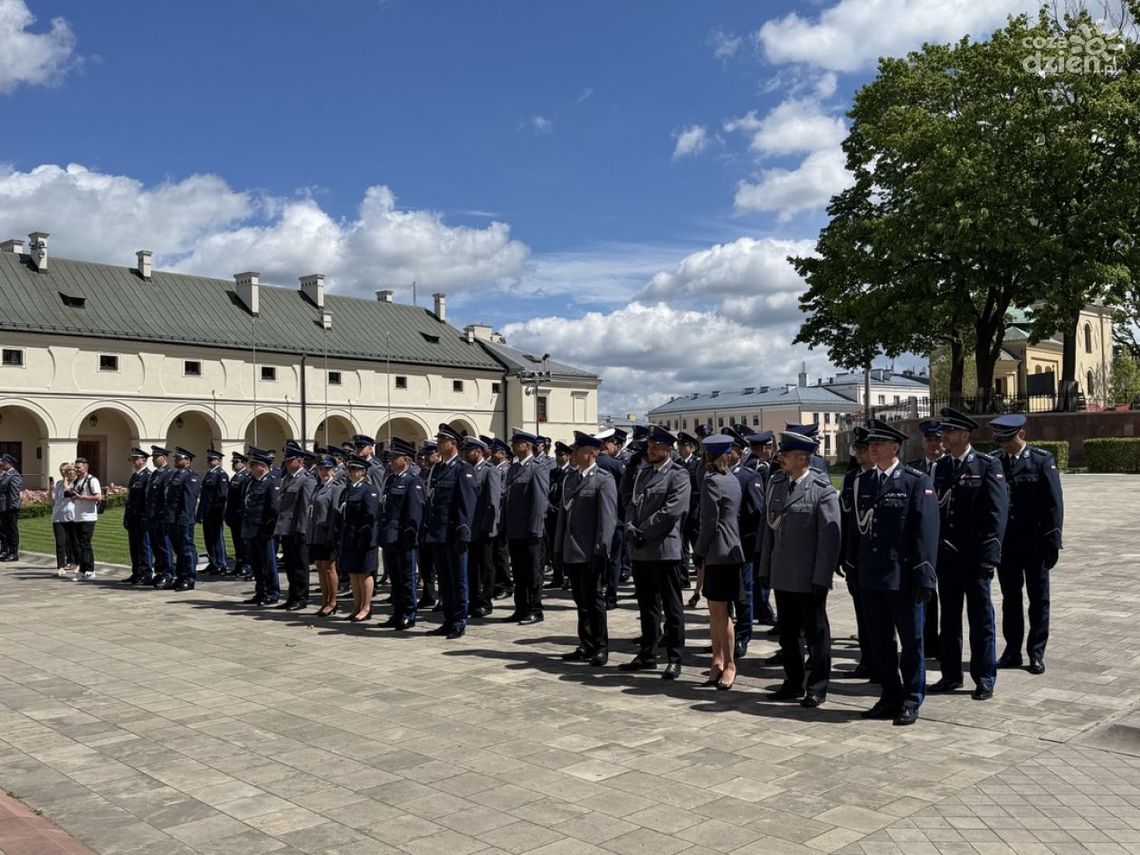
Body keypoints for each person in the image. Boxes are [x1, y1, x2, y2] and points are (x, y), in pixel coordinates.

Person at [848, 419, 939, 726]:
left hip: (903, 577)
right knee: (880, 642)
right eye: (870, 444)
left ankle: (911, 698)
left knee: (912, 642)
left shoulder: (915, 481)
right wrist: (852, 565)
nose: (872, 448)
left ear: (895, 447)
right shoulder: (864, 481)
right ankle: (889, 695)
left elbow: (925, 533)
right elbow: (856, 528)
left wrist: (925, 575)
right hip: (872, 576)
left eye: (879, 443)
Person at [929, 407, 1008, 701]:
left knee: (981, 620)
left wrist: (990, 556)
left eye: (949, 431)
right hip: (947, 558)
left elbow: (996, 514)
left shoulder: (986, 465)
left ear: (964, 434)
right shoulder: (940, 467)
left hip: (975, 558)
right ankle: (950, 674)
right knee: (949, 620)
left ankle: (984, 677)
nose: (944, 437)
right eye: (944, 432)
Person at [758, 431, 842, 707]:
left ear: (803, 459)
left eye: (786, 455)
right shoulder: (777, 485)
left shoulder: (821, 489)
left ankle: (817, 686)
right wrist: (765, 569)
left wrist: (822, 577)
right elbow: (769, 532)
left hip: (808, 577)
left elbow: (829, 540)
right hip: (783, 574)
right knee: (789, 635)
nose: (780, 458)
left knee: (816, 635)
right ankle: (793, 682)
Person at [991, 414, 1063, 675]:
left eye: (1007, 440)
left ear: (1021, 435)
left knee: (1039, 599)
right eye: (1000, 441)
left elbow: (1054, 503)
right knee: (1010, 599)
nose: (1003, 445)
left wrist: (1053, 540)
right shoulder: (995, 461)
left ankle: (1036, 653)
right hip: (1007, 545)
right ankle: (1012, 651)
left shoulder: (1041, 460)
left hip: (1035, 544)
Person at [620, 426, 691, 680]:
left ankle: (674, 658)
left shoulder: (678, 475)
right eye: (649, 447)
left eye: (655, 447)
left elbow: (672, 511)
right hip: (641, 550)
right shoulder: (644, 473)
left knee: (672, 607)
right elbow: (631, 502)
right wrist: (630, 526)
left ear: (667, 449)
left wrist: (644, 530)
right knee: (647, 606)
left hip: (664, 550)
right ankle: (647, 654)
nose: (649, 451)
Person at [555, 431, 618, 666]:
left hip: (591, 551)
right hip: (572, 550)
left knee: (595, 601)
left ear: (591, 453)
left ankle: (601, 646)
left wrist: (602, 550)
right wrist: (558, 548)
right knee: (580, 600)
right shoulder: (570, 479)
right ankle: (586, 643)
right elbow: (563, 517)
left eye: (577, 450)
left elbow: (607, 519)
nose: (572, 454)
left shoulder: (603, 479)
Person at [693, 434, 745, 691]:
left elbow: (709, 522)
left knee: (720, 614)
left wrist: (698, 550)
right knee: (717, 612)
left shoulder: (712, 481)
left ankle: (729, 664)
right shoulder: (732, 479)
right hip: (729, 552)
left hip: (718, 552)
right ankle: (718, 661)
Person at [423, 424, 476, 639]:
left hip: (454, 533)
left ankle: (459, 621)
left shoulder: (463, 469)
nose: (438, 443)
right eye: (438, 440)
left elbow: (467, 504)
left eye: (442, 440)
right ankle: (447, 619)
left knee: (458, 580)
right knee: (444, 580)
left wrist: (464, 532)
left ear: (453, 444)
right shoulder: (438, 469)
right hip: (438, 532)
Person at [838, 427, 877, 680]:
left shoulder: (882, 477)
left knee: (879, 617)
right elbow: (844, 519)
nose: (861, 453)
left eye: (865, 448)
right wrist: (842, 555)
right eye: (858, 449)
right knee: (862, 613)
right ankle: (867, 660)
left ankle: (881, 663)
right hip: (856, 557)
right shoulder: (851, 479)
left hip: (878, 558)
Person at [501, 428, 550, 624]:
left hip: (530, 531)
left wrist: (535, 529)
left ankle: (535, 609)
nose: (512, 446)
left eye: (516, 443)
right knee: (519, 572)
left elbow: (539, 501)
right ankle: (520, 608)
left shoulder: (537, 468)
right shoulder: (513, 468)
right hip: (515, 530)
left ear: (527, 445)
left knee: (532, 572)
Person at [908, 419, 946, 652]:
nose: (934, 444)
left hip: (946, 541)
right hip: (921, 542)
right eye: (929, 440)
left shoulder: (951, 467)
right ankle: (928, 639)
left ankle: (946, 641)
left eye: (938, 440)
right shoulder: (912, 469)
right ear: (923, 443)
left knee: (948, 594)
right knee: (924, 589)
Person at [378, 438, 424, 629]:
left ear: (406, 460)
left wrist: (410, 536)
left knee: (407, 578)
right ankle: (397, 612)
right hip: (390, 535)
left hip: (404, 537)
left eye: (395, 457)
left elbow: (414, 513)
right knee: (395, 578)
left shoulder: (413, 481)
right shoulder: (391, 479)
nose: (391, 460)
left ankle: (409, 613)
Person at [339, 454, 381, 622]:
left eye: (355, 469)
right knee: (353, 574)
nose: (351, 472)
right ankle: (356, 606)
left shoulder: (369, 490)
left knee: (364, 573)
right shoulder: (349, 490)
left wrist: (366, 537)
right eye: (350, 469)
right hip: (350, 536)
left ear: (363, 472)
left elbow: (370, 515)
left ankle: (366, 607)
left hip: (364, 537)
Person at [464, 436, 501, 618]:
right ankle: (473, 600)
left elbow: (493, 502)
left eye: (469, 451)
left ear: (478, 452)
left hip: (484, 528)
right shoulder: (468, 470)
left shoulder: (489, 470)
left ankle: (485, 602)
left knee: (486, 567)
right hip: (470, 528)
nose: (466, 454)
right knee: (471, 567)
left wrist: (489, 527)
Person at [275, 446, 316, 610]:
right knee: (290, 565)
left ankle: (301, 597)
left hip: (298, 529)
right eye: (286, 461)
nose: (286, 464)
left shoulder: (307, 479)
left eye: (290, 461)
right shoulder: (288, 478)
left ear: (299, 461)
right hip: (286, 528)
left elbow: (306, 507)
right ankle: (292, 597)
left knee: (300, 566)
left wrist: (302, 529)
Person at [241, 450, 282, 606]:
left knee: (268, 563)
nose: (250, 467)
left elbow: (274, 508)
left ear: (263, 466)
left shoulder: (271, 482)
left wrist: (270, 528)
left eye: (253, 465)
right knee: (256, 563)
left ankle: (272, 592)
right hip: (251, 528)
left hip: (264, 529)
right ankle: (261, 591)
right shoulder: (252, 482)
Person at [308, 455, 345, 616]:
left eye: (327, 469)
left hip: (327, 534)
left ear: (334, 471)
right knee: (320, 568)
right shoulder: (318, 487)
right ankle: (325, 600)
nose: (323, 472)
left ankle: (333, 601)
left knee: (329, 568)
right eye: (321, 469)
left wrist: (332, 535)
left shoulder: (336, 488)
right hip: (316, 533)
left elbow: (335, 513)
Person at [595, 429, 626, 610]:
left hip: (596, 519)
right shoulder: (615, 464)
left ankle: (597, 592)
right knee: (614, 558)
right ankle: (611, 597)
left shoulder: (593, 462)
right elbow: (625, 490)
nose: (617, 447)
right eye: (614, 444)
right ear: (607, 444)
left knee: (598, 557)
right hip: (616, 517)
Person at [163, 448, 201, 591]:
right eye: (176, 458)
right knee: (179, 550)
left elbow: (189, 500)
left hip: (183, 519)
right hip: (173, 518)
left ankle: (189, 578)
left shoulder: (191, 477)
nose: (176, 460)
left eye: (179, 458)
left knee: (187, 549)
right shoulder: (176, 475)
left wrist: (184, 518)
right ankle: (180, 577)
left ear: (187, 461)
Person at [544, 441, 573, 590]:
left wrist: (557, 507)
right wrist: (548, 504)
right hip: (551, 515)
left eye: (561, 454)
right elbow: (548, 490)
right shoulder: (553, 472)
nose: (558, 457)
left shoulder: (570, 473)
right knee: (553, 545)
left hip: (562, 514)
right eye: (556, 454)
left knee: (564, 546)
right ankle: (557, 576)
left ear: (568, 456)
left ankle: (568, 576)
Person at [68, 457, 102, 581]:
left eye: (79, 467)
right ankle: (86, 570)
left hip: (88, 516)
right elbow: (70, 492)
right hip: (78, 516)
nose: (76, 470)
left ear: (86, 467)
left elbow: (98, 497)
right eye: (75, 467)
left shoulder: (92, 480)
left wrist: (82, 497)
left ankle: (87, 570)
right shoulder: (77, 481)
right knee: (80, 545)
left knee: (84, 544)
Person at [123, 448, 153, 585]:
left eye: (136, 459)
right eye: (133, 459)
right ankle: (136, 572)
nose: (134, 461)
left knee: (144, 546)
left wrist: (146, 516)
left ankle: (146, 573)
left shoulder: (148, 476)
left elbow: (147, 499)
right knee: (134, 546)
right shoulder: (135, 476)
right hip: (133, 516)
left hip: (141, 516)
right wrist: (127, 516)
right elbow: (130, 499)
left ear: (144, 460)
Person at [146, 446, 175, 588]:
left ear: (164, 458)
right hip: (152, 515)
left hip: (160, 515)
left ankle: (168, 574)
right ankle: (159, 572)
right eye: (153, 457)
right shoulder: (155, 474)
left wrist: (164, 515)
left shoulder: (168, 474)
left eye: (156, 457)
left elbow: (166, 497)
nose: (153, 459)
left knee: (164, 546)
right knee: (156, 546)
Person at [197, 449, 229, 575]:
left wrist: (218, 513)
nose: (209, 462)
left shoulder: (221, 475)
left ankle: (221, 563)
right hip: (207, 512)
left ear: (219, 461)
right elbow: (204, 496)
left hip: (215, 513)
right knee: (209, 539)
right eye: (208, 459)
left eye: (211, 459)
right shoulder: (209, 474)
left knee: (217, 539)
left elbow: (221, 496)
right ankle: (213, 562)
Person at [224, 452, 251, 578]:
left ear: (244, 463)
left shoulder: (245, 477)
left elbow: (243, 498)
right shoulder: (235, 477)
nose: (234, 464)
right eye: (233, 462)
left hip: (240, 516)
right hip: (233, 515)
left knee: (243, 543)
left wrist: (240, 514)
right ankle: (239, 564)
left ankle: (246, 565)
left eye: (236, 462)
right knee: (237, 543)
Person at [51, 461, 76, 576]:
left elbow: (67, 492)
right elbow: (53, 500)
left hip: (71, 516)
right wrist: (50, 489)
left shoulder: (76, 483)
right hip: (58, 516)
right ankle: (61, 566)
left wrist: (66, 479)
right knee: (60, 543)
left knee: (73, 542)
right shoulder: (59, 483)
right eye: (62, 471)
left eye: (66, 470)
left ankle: (76, 562)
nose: (64, 472)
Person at [0, 453, 22, 561]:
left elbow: (14, 493)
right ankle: (6, 550)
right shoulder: (5, 475)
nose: (1, 465)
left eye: (3, 463)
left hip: (10, 507)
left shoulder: (14, 475)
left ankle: (13, 552)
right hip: (3, 507)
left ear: (9, 463)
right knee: (4, 530)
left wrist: (13, 507)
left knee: (12, 530)